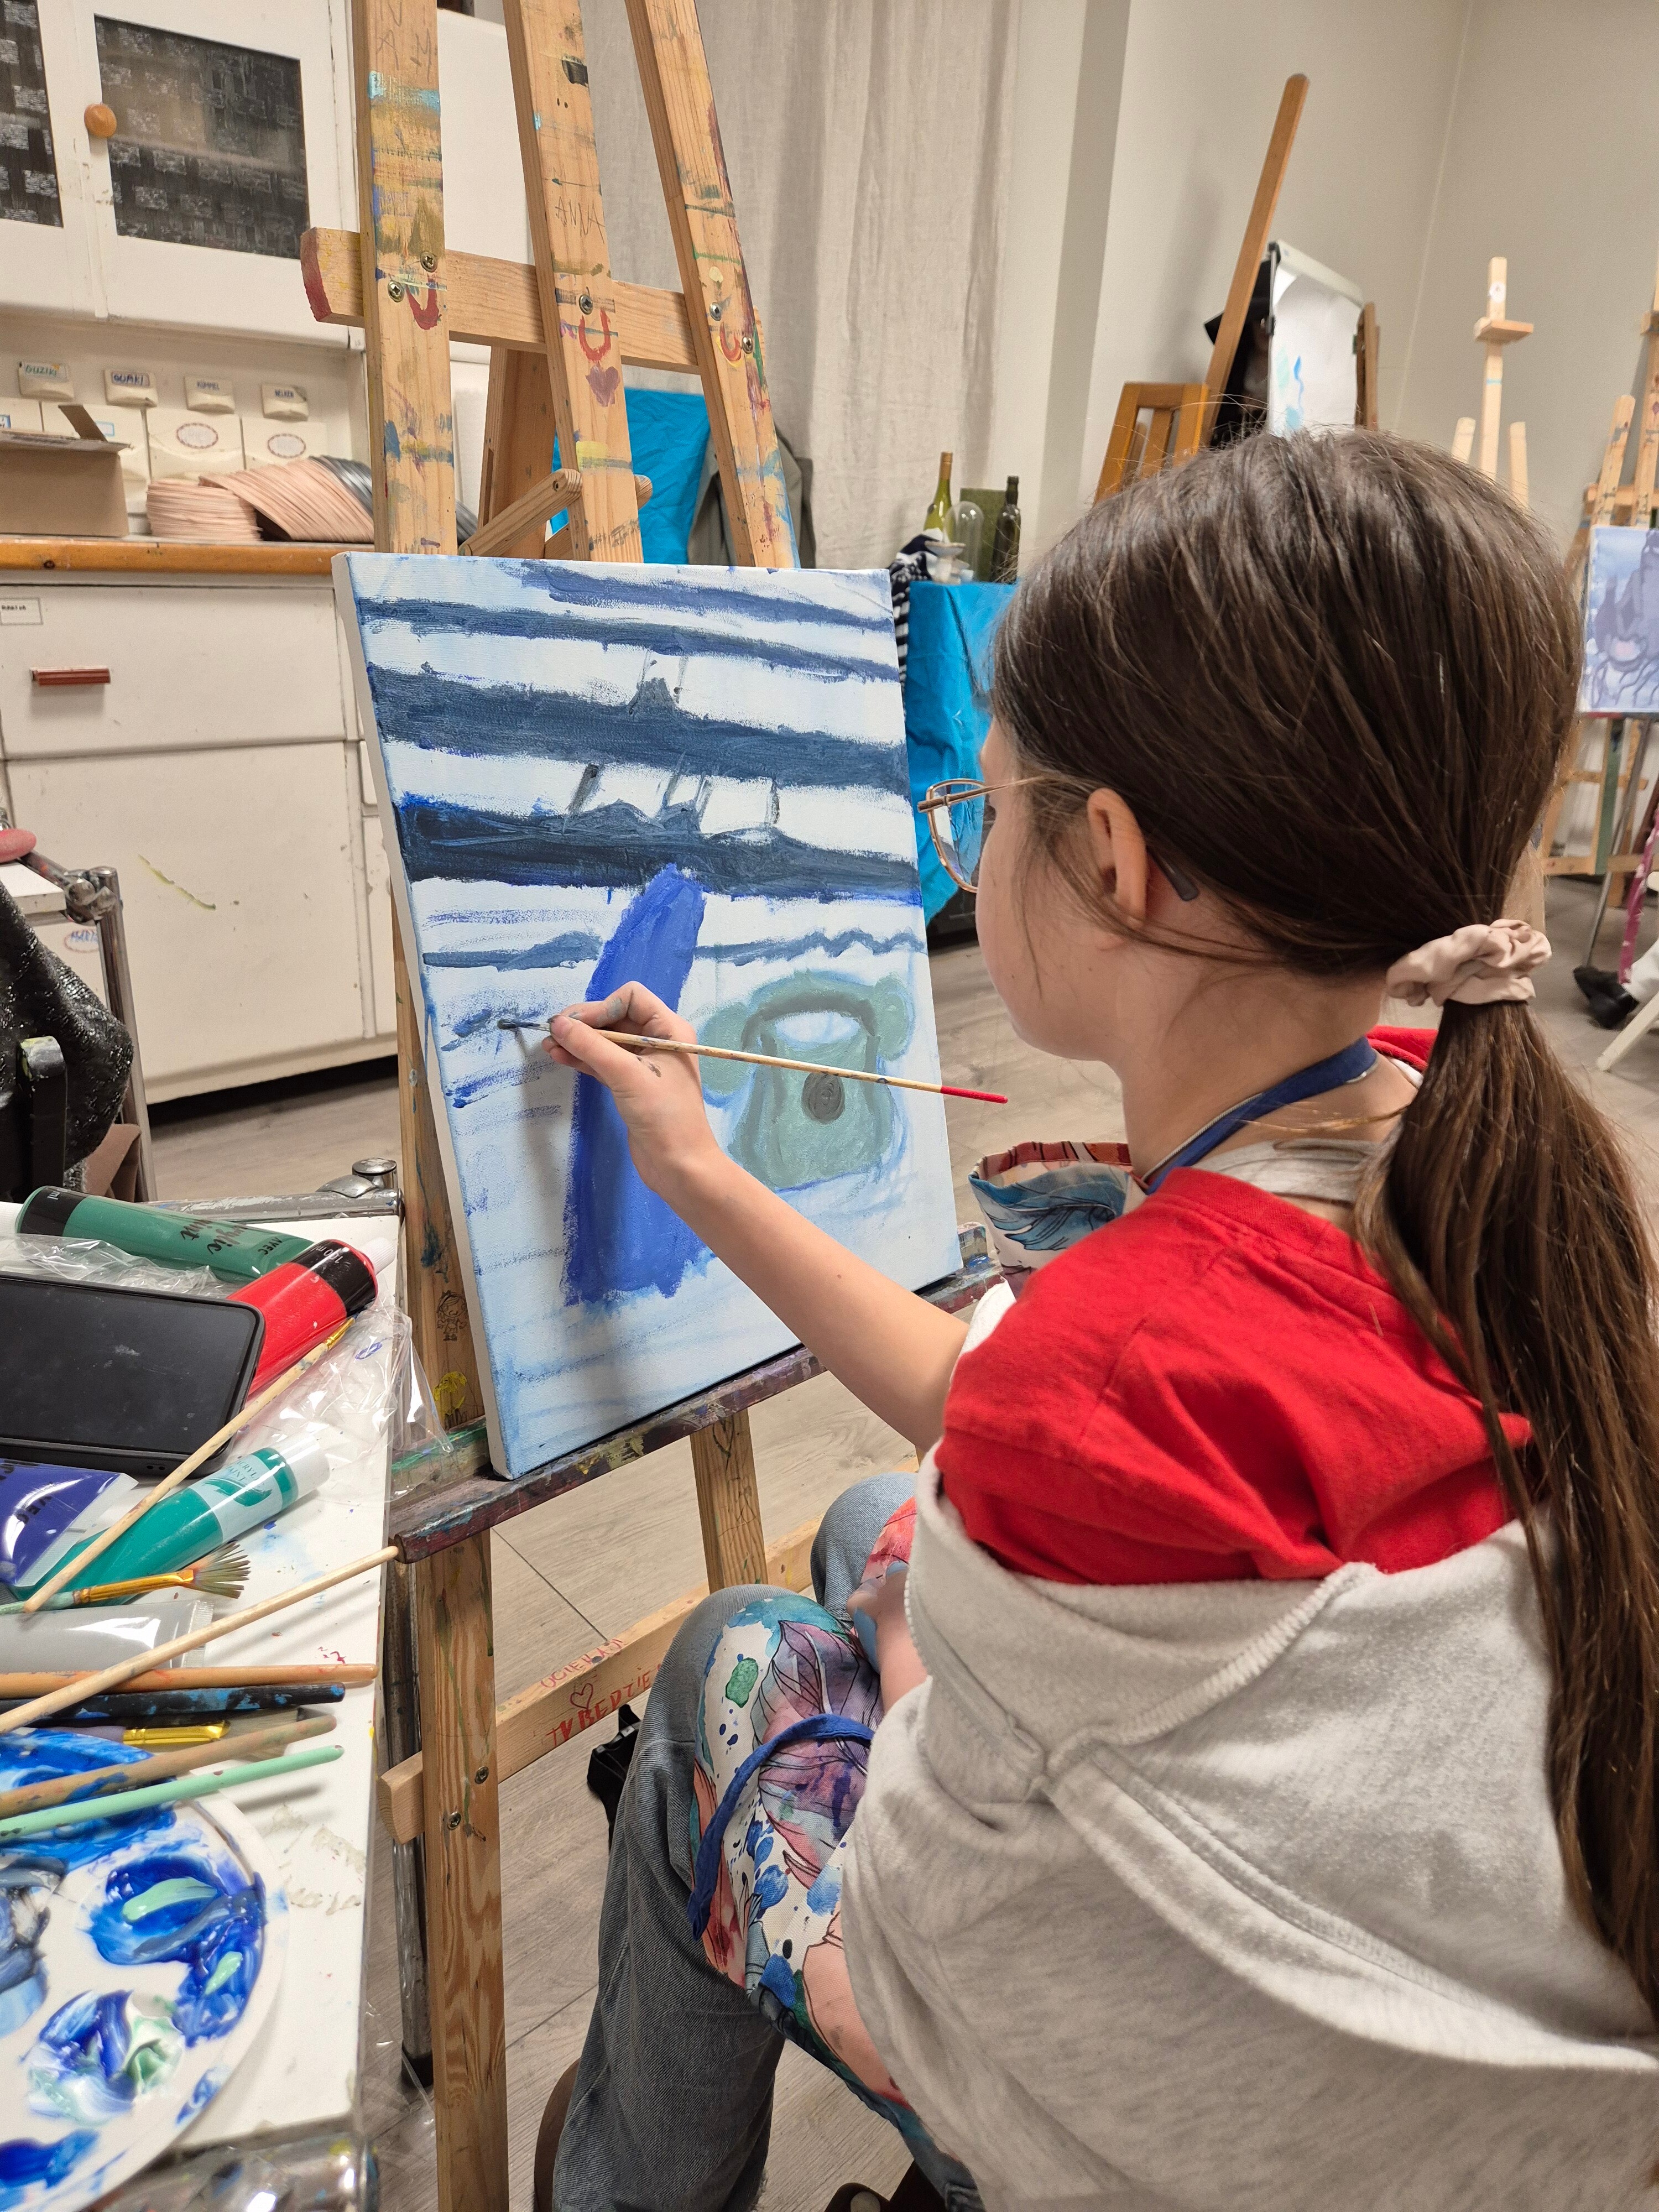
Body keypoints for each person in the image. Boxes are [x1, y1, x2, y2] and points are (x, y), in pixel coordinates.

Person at [533, 432, 1659, 2212]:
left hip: (1231, 2128)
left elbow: (926, 1935)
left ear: (1116, 859)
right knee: (872, 1515)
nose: (969, 843)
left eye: (982, 809)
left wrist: (916, 1634)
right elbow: (1003, 1402)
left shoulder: (1117, 1369)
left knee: (731, 1666)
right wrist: (697, 1171)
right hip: (1491, 1995)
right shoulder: (1468, 1140)